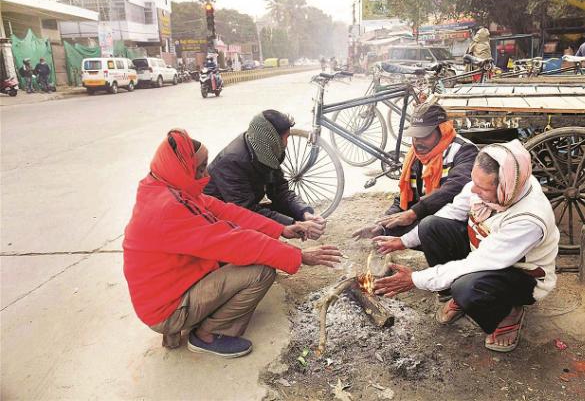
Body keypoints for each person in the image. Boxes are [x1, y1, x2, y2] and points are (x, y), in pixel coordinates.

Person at [123, 129, 342, 358]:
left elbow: (227, 211)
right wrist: (299, 256)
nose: (205, 173)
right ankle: (207, 334)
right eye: (199, 168)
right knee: (261, 270)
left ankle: (181, 323)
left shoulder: (166, 186)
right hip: (166, 309)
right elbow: (235, 240)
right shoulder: (170, 207)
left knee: (243, 251)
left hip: (163, 293)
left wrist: (282, 229)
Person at [371, 140, 559, 352]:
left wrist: (414, 279)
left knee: (466, 288)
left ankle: (508, 313)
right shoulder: (494, 186)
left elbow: (478, 262)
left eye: (483, 188)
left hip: (521, 276)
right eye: (474, 182)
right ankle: (458, 296)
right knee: (430, 226)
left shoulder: (528, 219)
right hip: (485, 253)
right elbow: (450, 212)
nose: (474, 191)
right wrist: (403, 241)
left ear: (506, 185)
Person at [352, 104, 477, 256]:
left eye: (424, 135)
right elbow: (404, 200)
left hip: (458, 226)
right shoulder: (415, 156)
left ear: (442, 130)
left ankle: (451, 273)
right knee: (408, 223)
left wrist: (414, 212)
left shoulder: (464, 151)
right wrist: (382, 225)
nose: (417, 141)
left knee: (429, 225)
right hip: (428, 221)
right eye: (415, 135)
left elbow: (455, 187)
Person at [204, 110, 326, 231]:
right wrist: (292, 224)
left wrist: (304, 213)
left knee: (292, 215)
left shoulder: (265, 151)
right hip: (214, 221)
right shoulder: (232, 161)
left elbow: (280, 191)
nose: (285, 144)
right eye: (284, 138)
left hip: (242, 211)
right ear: (270, 139)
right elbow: (246, 212)